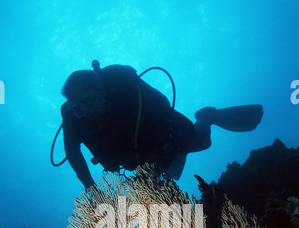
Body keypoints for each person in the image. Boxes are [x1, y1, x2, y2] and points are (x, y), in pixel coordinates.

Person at [61, 61, 263, 189]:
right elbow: (72, 150)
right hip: (137, 158)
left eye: (93, 100)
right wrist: (91, 188)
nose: (89, 111)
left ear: (102, 91)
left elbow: (163, 107)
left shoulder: (124, 91)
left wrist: (167, 152)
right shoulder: (72, 117)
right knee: (162, 183)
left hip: (165, 135)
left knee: (203, 142)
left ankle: (205, 116)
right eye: (80, 108)